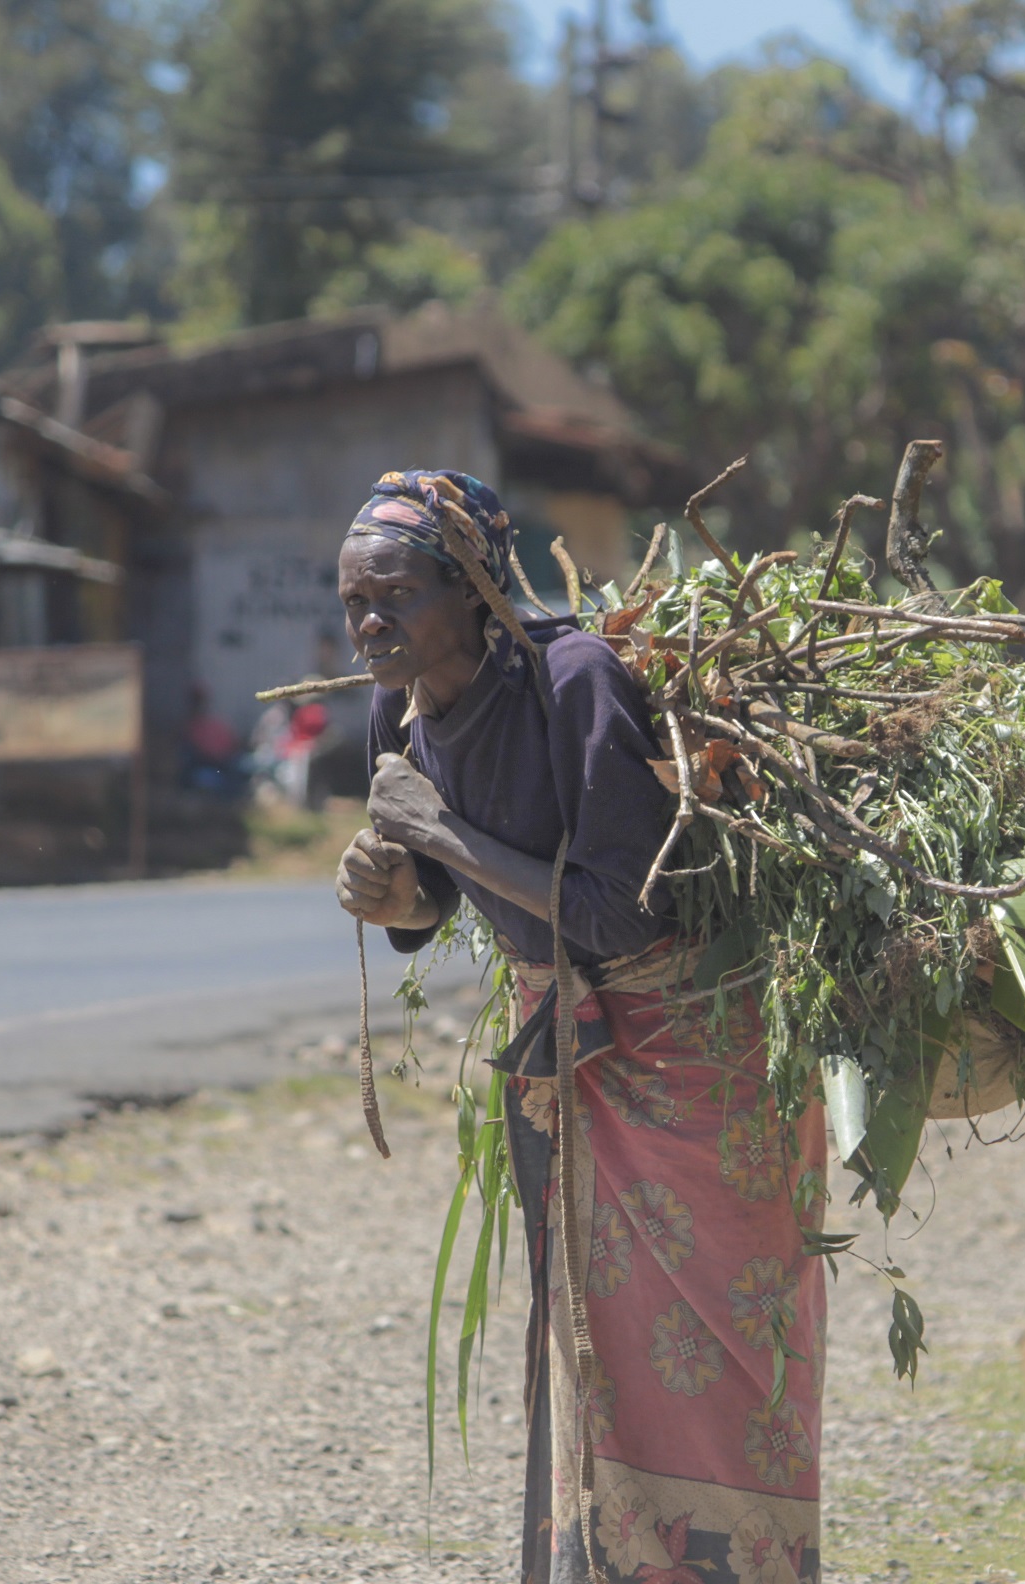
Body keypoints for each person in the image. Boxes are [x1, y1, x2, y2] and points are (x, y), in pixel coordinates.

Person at [329, 470, 828, 1584]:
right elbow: (432, 901)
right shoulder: (398, 701)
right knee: (592, 1344)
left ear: (472, 589)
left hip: (695, 1061)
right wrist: (388, 890)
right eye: (354, 599)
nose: (370, 623)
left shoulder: (575, 681)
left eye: (395, 595)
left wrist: (439, 833)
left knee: (705, 1352)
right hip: (571, 1048)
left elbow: (616, 908)